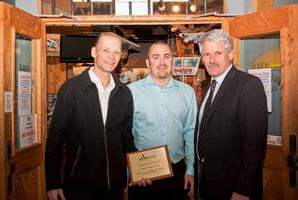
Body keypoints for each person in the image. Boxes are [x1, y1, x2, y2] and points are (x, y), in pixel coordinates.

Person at [45, 32, 137, 200]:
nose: (111, 57)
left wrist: (138, 170)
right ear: (94, 52)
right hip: (79, 186)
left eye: (116, 52)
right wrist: (53, 183)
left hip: (114, 186)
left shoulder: (124, 93)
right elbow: (54, 140)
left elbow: (126, 139)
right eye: (106, 50)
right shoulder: (71, 89)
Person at [194, 29, 268, 200]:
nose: (211, 60)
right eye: (206, 54)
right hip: (209, 180)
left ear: (231, 54)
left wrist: (243, 190)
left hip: (235, 187)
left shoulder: (249, 85)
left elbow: (255, 147)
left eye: (218, 53)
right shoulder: (209, 86)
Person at [128, 41, 197, 200]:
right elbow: (126, 135)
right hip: (144, 173)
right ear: (148, 62)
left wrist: (191, 170)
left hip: (178, 172)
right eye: (156, 57)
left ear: (173, 60)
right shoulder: (131, 92)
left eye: (167, 56)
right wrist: (131, 171)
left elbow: (190, 132)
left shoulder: (187, 92)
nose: (162, 62)